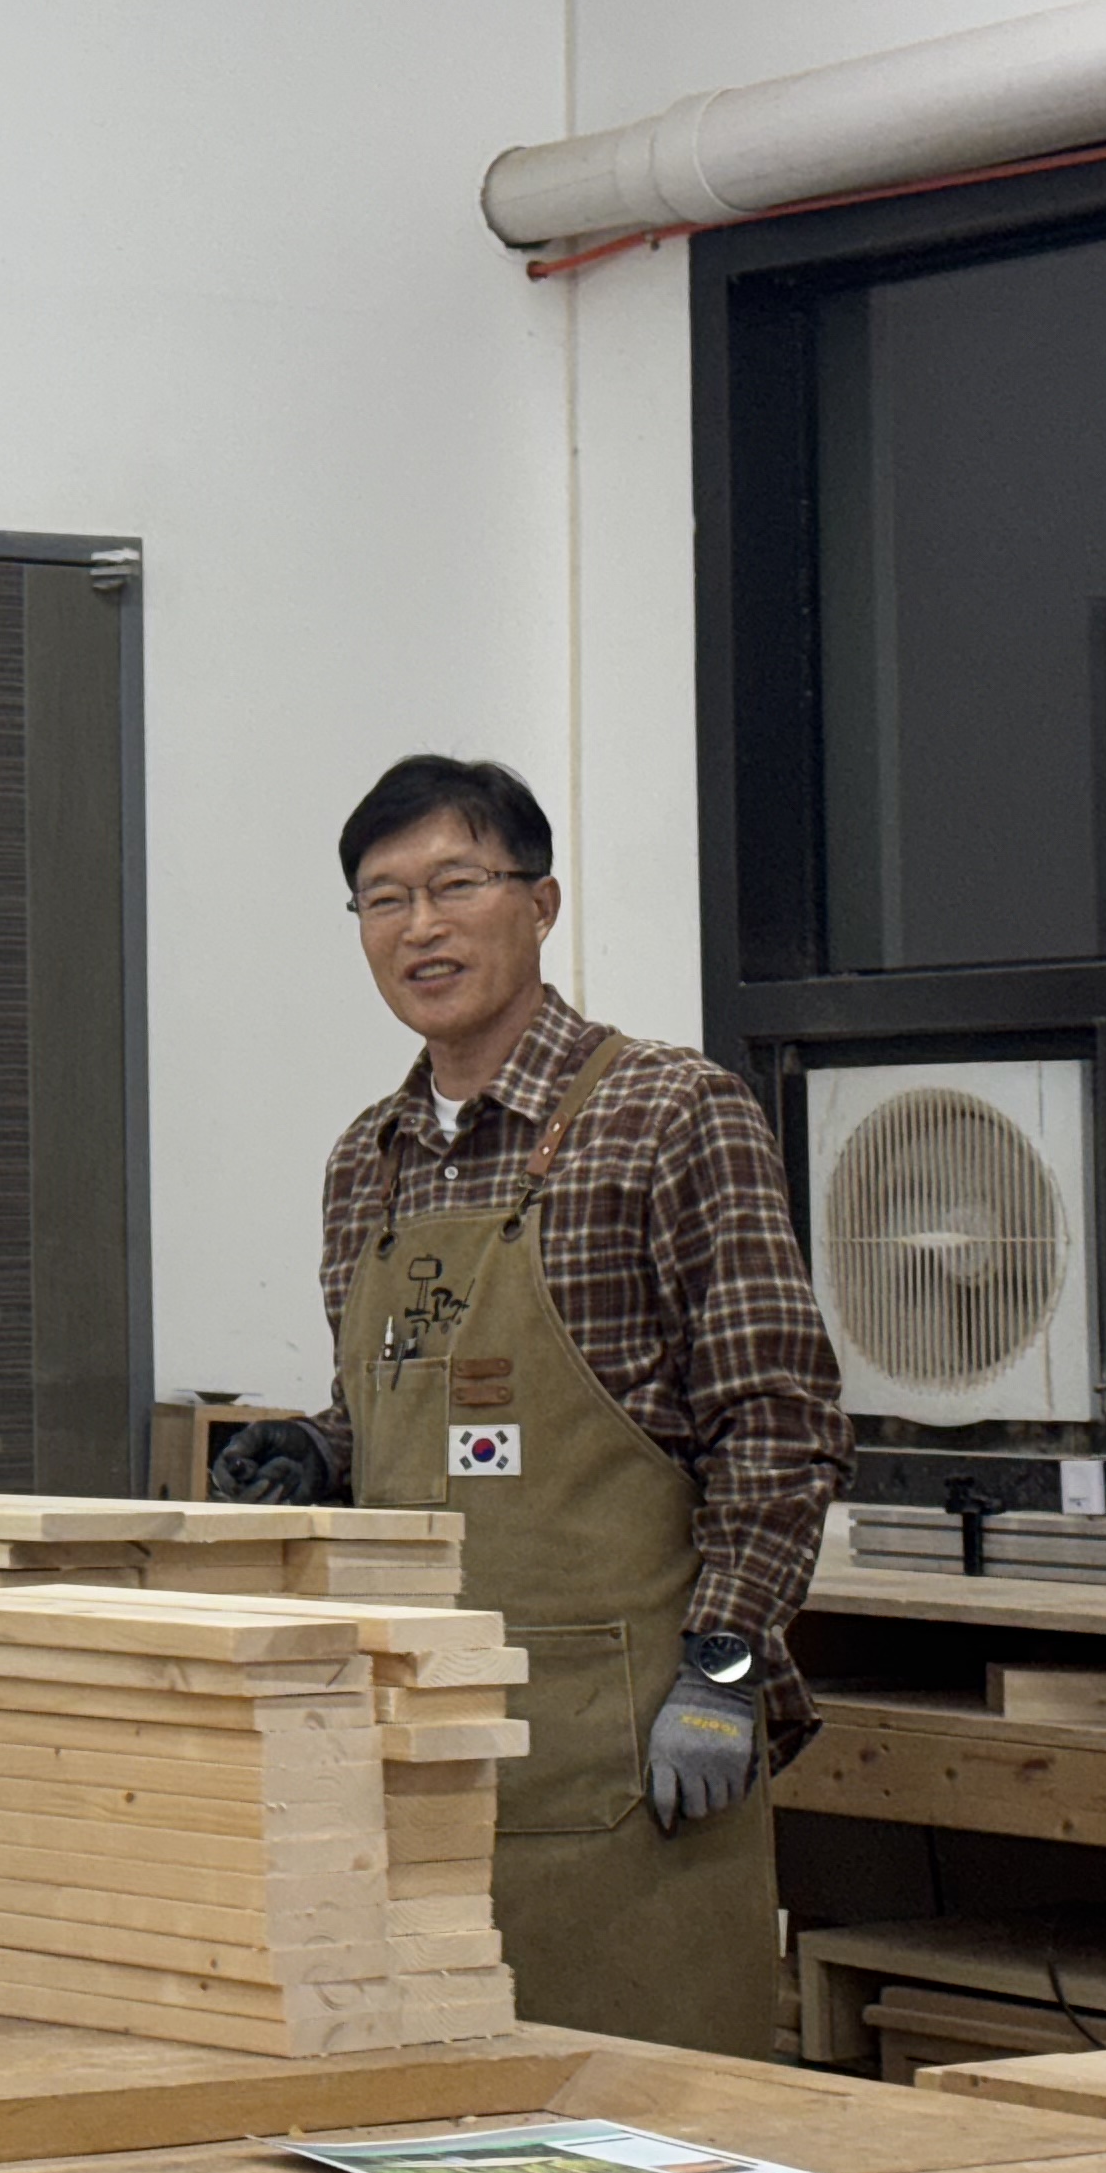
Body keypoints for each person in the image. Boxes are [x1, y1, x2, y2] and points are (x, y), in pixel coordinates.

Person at [212, 754, 846, 2057]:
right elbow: (408, 1427)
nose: (421, 927)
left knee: (648, 2126)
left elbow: (779, 1425)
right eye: (384, 899)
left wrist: (724, 1672)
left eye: (457, 885)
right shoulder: (368, 1162)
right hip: (419, 1760)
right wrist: (316, 1455)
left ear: (542, 904)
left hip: (636, 1763)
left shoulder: (671, 1116)